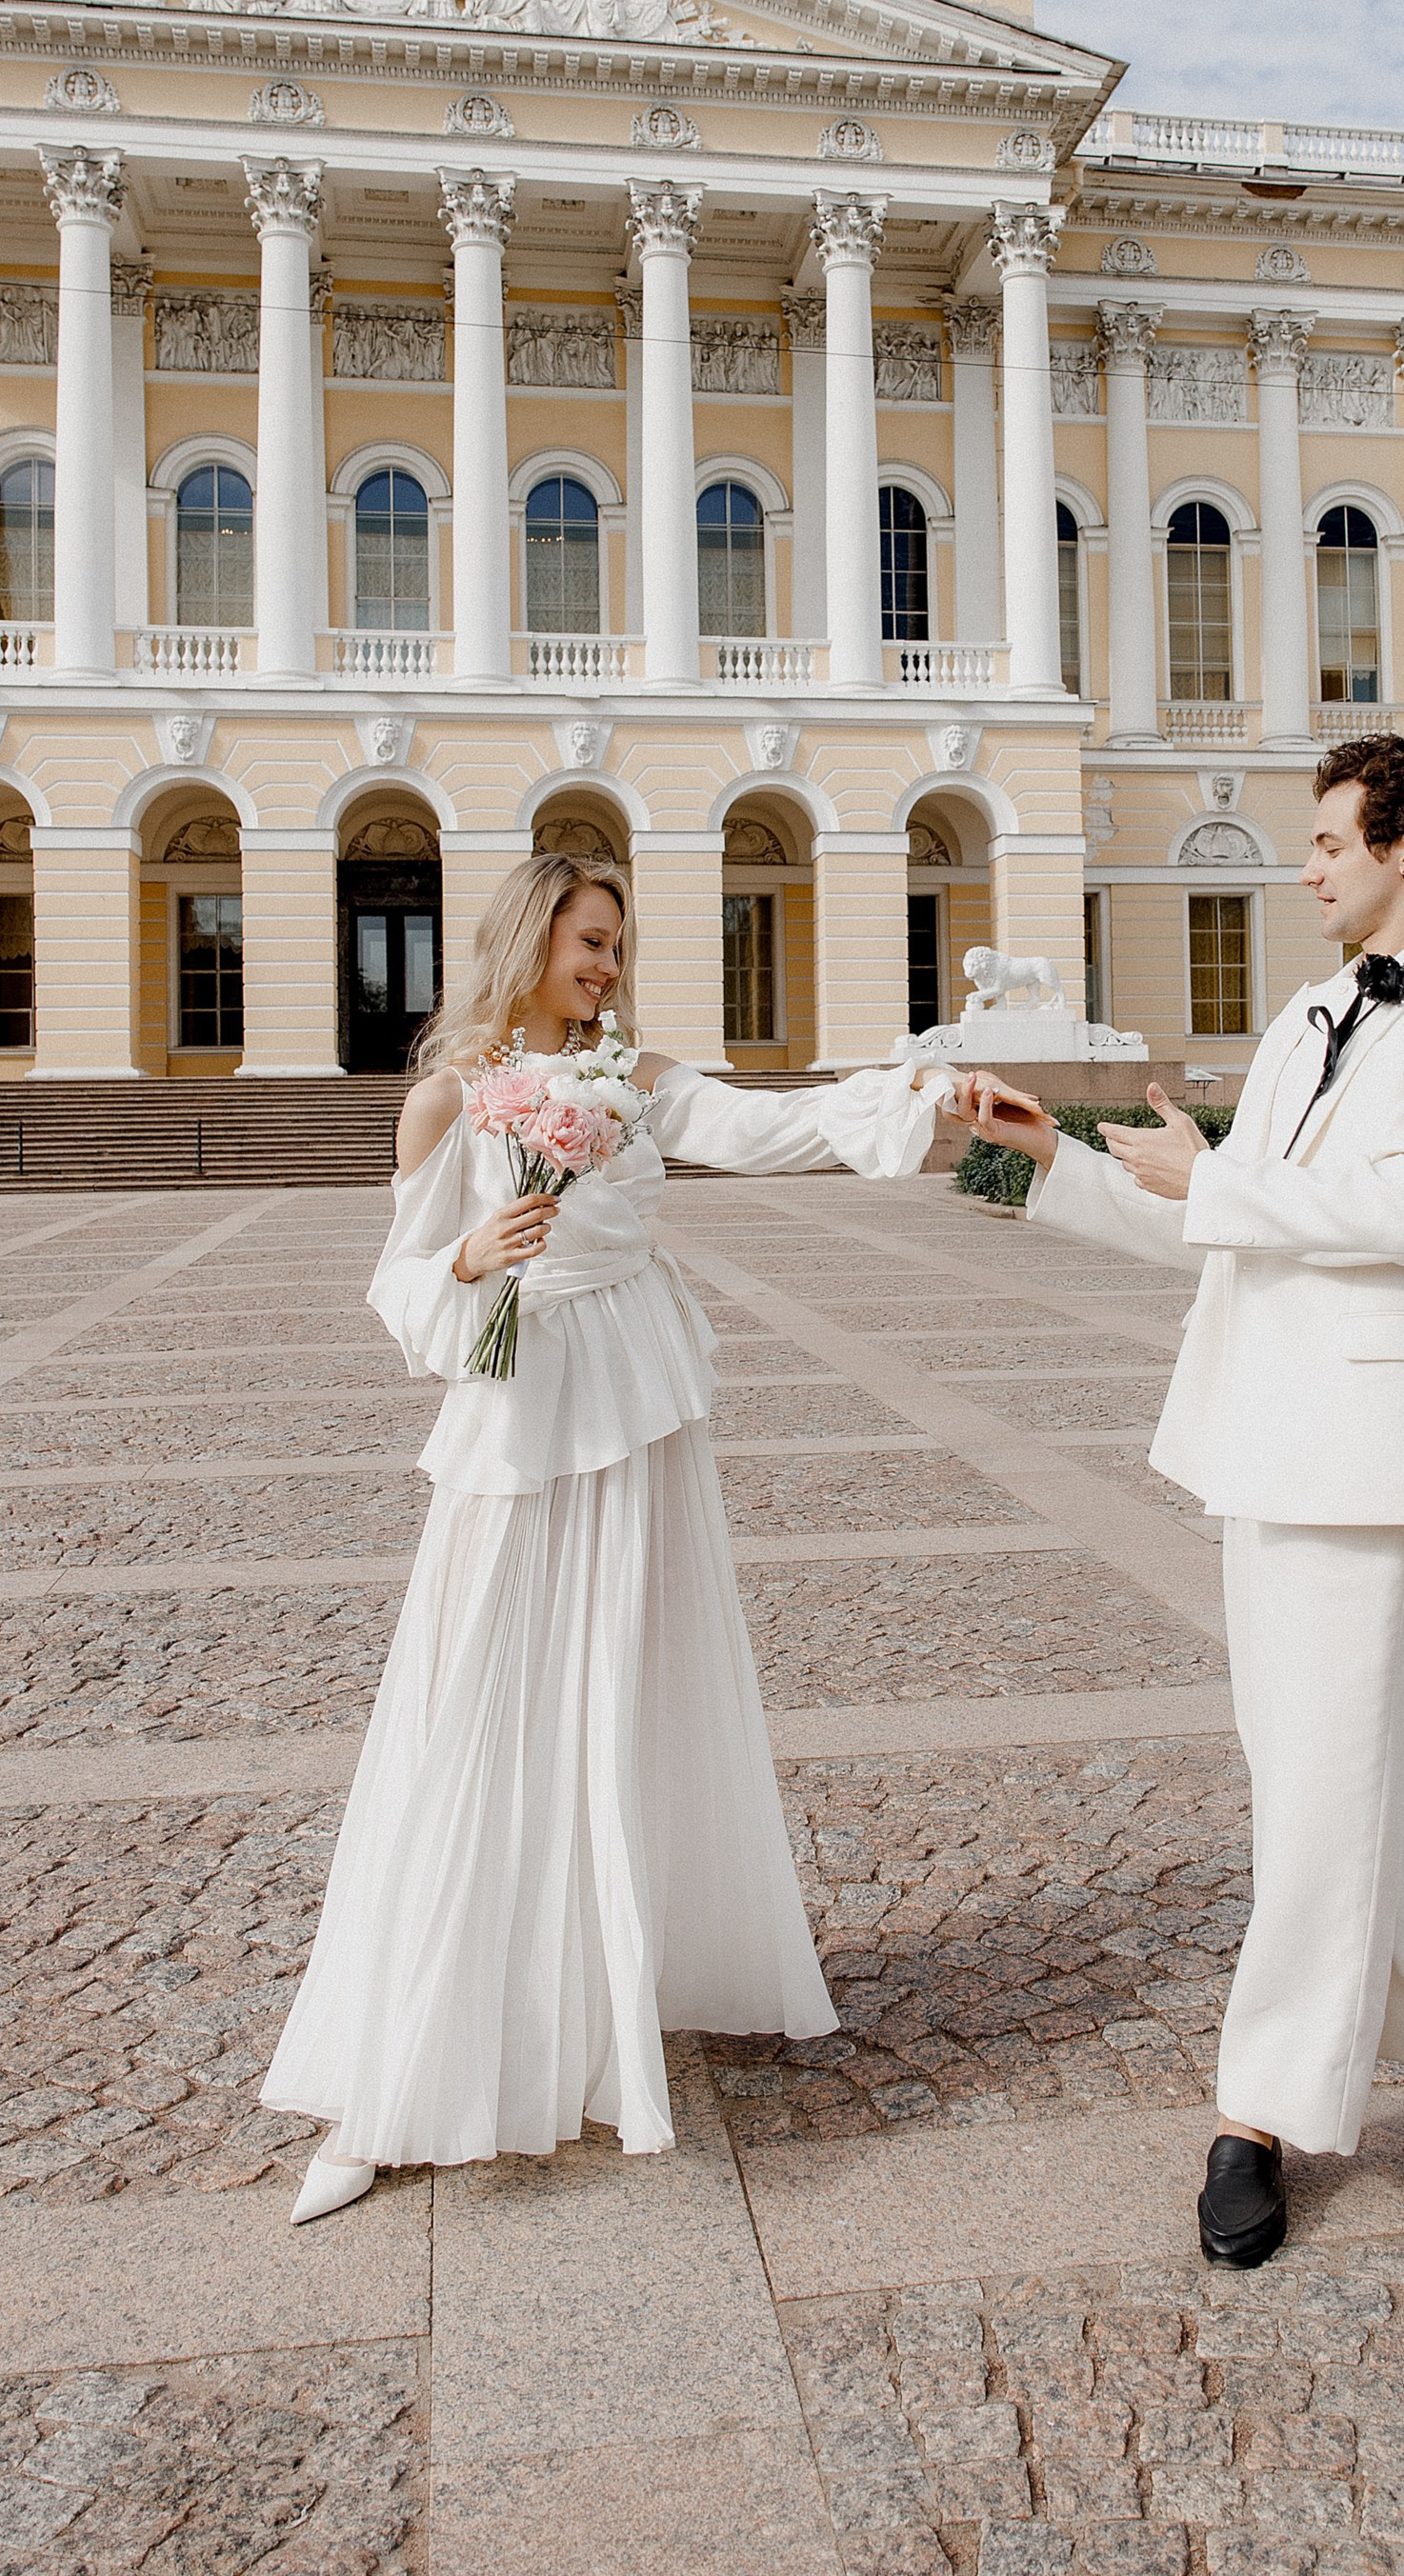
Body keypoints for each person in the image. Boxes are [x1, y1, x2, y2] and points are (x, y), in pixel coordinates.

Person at [958, 735, 1404, 2266]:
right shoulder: (1309, 1009)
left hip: (1369, 1442)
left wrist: (1211, 1182)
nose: (1303, 867)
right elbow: (1230, 1225)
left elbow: (1397, 1212)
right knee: (1331, 1775)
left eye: (1326, 841)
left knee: (1316, 1795)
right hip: (1258, 1431)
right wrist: (1051, 1160)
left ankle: (1256, 2117)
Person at [266, 850, 956, 2224]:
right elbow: (399, 1288)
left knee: (629, 1697)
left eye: (617, 945)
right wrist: (470, 1261)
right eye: (589, 940)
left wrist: (920, 1095)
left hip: (638, 1411)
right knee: (471, 1701)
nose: (606, 966)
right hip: (519, 1421)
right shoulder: (448, 1101)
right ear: (530, 940)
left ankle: (615, 1985)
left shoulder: (637, 1081)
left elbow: (776, 1130)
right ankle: (398, 2073)